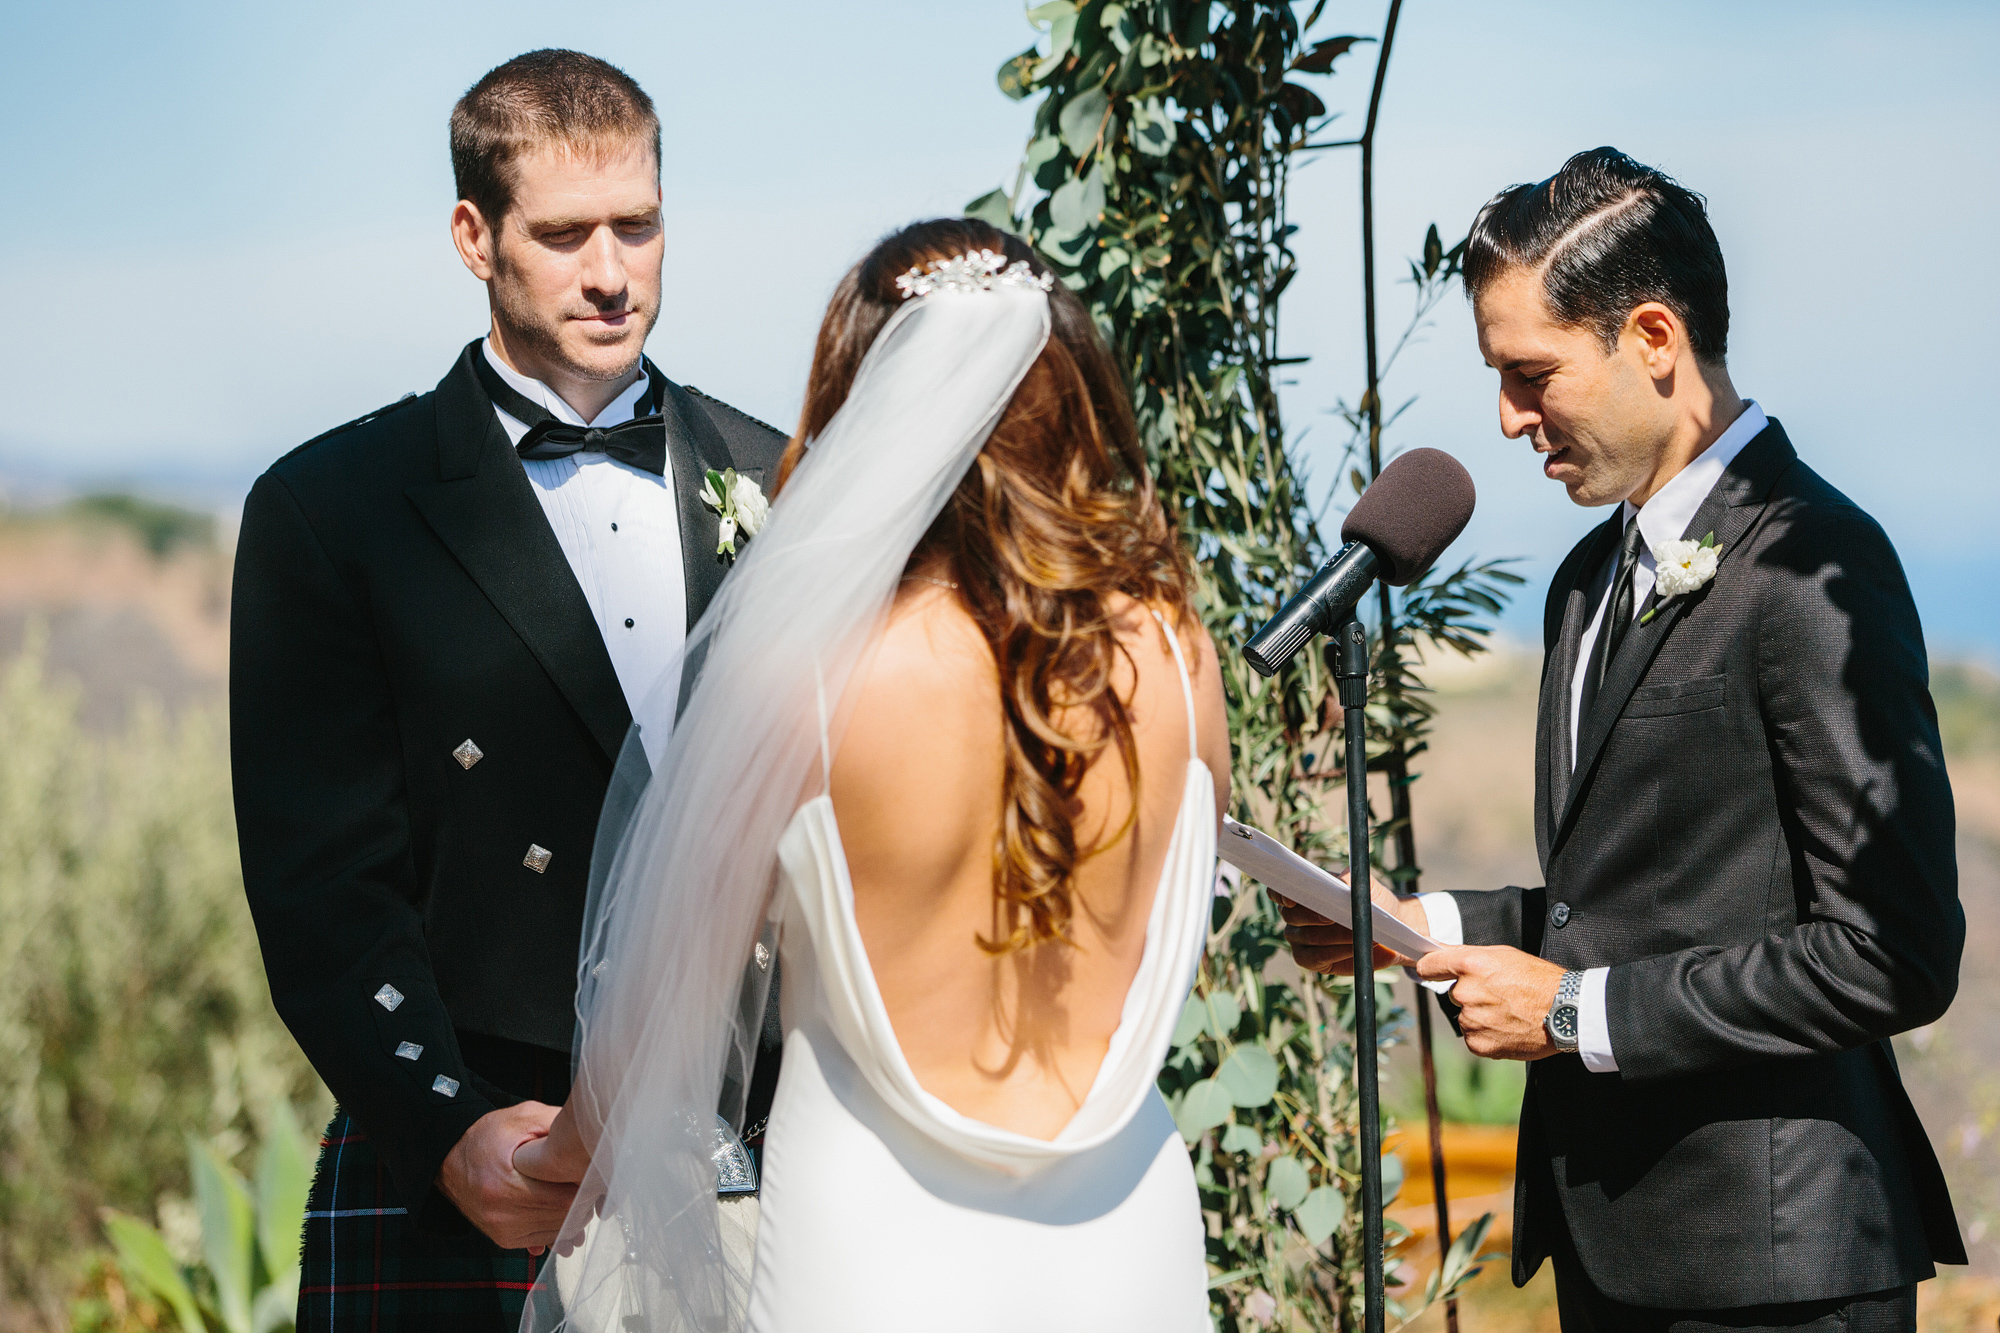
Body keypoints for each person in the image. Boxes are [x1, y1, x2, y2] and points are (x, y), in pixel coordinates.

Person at [1276, 148, 1963, 1332]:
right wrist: (1415, 926)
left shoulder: (1812, 567)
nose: (1505, 419)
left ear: (1652, 338)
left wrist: (1568, 1016)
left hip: (1778, 1274)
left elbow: (1889, 953)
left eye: (1529, 374)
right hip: (1612, 1256)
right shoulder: (1588, 578)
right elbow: (1638, 903)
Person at [509, 220, 1231, 1333]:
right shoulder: (1177, 654)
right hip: (1125, 1241)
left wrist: (558, 1148)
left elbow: (654, 1023)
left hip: (876, 1254)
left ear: (866, 407)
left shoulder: (811, 673)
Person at [230, 50, 786, 1330]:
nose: (609, 271)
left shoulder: (776, 477)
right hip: (492, 1153)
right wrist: (444, 1127)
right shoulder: (333, 510)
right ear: (474, 238)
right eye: (563, 233)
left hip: (759, 1140)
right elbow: (322, 887)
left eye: (637, 226)